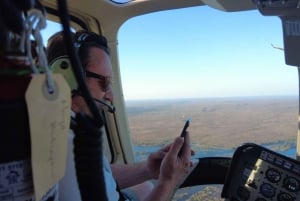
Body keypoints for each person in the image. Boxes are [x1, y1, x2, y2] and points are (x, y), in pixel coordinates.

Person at [47, 30, 193, 201]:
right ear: (65, 76)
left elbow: (99, 173)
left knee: (144, 185)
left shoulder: (64, 124)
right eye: (105, 82)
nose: (110, 97)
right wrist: (168, 182)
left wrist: (147, 170)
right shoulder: (65, 143)